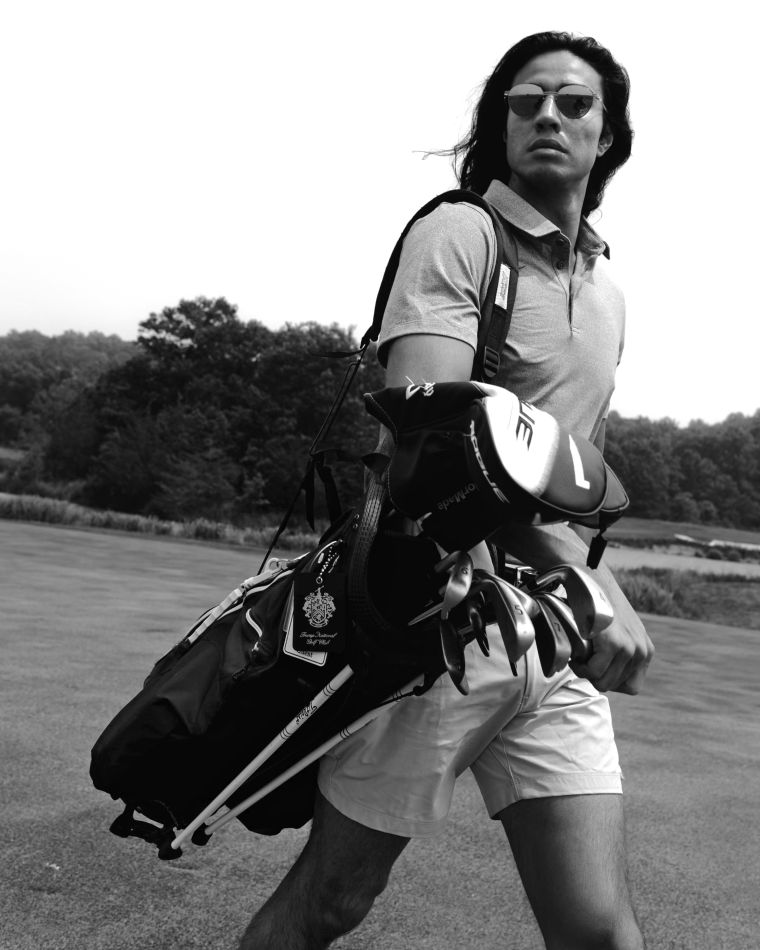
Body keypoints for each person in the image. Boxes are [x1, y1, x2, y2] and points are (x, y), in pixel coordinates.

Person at [240, 31, 654, 950]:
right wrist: (596, 583)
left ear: (609, 135)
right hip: (439, 622)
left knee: (598, 932)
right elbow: (435, 447)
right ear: (500, 125)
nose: (548, 116)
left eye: (574, 103)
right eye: (525, 101)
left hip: (551, 637)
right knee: (331, 903)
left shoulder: (608, 291)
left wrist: (579, 580)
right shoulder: (461, 234)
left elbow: (572, 469)